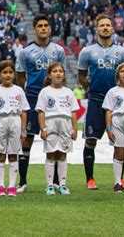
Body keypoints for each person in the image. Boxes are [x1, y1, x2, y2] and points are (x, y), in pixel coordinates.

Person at [78, 14, 124, 190]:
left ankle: (120, 180)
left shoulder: (122, 52)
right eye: (102, 25)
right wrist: (90, 87)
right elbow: (81, 75)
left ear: (113, 28)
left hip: (117, 103)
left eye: (108, 25)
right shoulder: (87, 51)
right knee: (91, 140)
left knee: (120, 142)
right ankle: (90, 179)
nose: (105, 28)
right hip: (95, 100)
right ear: (97, 29)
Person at [15, 14, 66, 193]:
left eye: (46, 25)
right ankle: (22, 181)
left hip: (52, 98)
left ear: (50, 29)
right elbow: (20, 76)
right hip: (32, 97)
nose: (43, 28)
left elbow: (62, 73)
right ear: (35, 29)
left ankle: (58, 182)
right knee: (26, 139)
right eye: (40, 26)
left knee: (55, 139)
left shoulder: (58, 50)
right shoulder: (25, 51)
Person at [0, 60, 29, 197]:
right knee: (0, 154)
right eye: (5, 72)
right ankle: (1, 186)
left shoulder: (19, 90)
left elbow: (23, 112)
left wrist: (23, 130)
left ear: (14, 74)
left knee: (13, 154)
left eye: (10, 72)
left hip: (15, 121)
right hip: (0, 121)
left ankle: (11, 187)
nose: (8, 75)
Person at [36, 63, 79, 195]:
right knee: (50, 153)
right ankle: (50, 186)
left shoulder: (68, 92)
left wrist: (75, 129)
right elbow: (41, 112)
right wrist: (43, 128)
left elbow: (73, 112)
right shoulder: (45, 92)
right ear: (49, 75)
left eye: (61, 71)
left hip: (65, 124)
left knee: (62, 154)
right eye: (55, 71)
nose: (58, 73)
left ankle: (62, 185)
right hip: (51, 123)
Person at [102, 63, 124, 193]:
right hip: (118, 123)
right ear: (118, 75)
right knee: (119, 153)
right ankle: (117, 183)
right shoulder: (113, 92)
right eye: (122, 71)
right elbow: (109, 111)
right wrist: (109, 128)